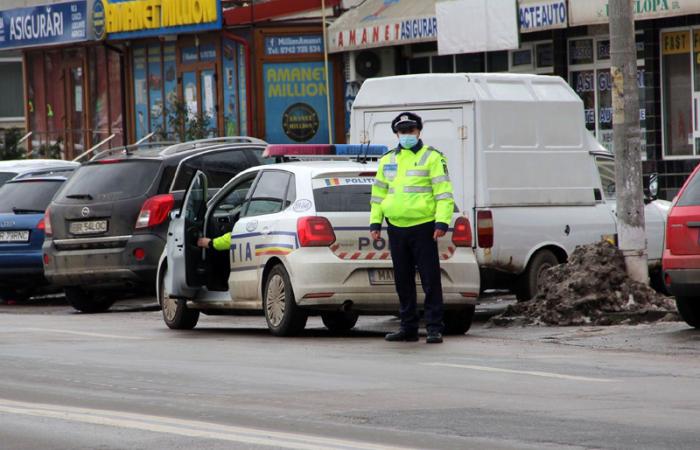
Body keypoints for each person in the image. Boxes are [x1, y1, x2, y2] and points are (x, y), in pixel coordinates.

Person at [370, 112, 455, 344]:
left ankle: (434, 328)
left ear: (418, 131)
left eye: (410, 130)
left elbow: (443, 194)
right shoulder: (388, 159)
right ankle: (408, 327)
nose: (406, 135)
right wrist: (375, 222)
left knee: (430, 280)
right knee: (402, 280)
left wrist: (442, 222)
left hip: (424, 227)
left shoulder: (432, 157)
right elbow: (378, 194)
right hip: (396, 227)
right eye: (402, 131)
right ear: (396, 134)